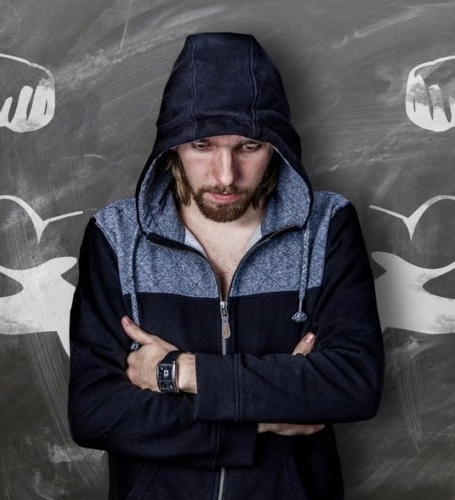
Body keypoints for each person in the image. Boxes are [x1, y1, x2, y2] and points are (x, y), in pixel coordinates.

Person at [68, 32, 384, 500]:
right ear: (172, 145)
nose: (225, 175)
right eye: (202, 146)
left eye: (249, 147)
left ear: (275, 146)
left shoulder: (328, 226)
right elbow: (96, 412)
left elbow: (352, 384)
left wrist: (181, 373)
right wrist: (258, 419)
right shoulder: (115, 236)